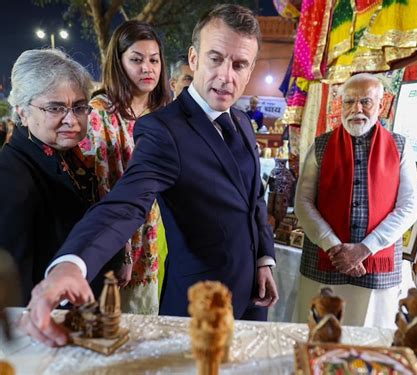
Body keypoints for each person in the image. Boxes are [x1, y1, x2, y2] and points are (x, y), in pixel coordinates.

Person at [21, 4, 278, 347]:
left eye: (239, 64)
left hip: (253, 298)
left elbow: (253, 199)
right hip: (197, 305)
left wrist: (264, 258)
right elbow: (126, 202)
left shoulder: (244, 123)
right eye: (215, 58)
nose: (226, 75)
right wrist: (72, 264)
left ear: (250, 69)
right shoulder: (163, 129)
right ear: (194, 58)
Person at [294, 73, 417, 329]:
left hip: (377, 264)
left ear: (381, 105)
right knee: (319, 332)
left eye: (365, 102)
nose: (356, 109)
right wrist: (334, 247)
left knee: (370, 336)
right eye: (349, 102)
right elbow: (303, 202)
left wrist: (364, 249)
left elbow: (408, 207)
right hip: (325, 259)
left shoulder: (401, 146)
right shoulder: (321, 145)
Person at [0, 49, 120, 305]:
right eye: (55, 108)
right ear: (22, 111)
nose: (72, 120)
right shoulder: (11, 176)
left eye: (79, 107)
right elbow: (13, 285)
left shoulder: (69, 154)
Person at [78, 20, 171, 314]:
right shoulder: (101, 113)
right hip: (122, 238)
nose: (148, 68)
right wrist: (123, 254)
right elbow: (103, 189)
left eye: (154, 60)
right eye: (136, 59)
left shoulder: (164, 111)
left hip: (163, 232)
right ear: (118, 63)